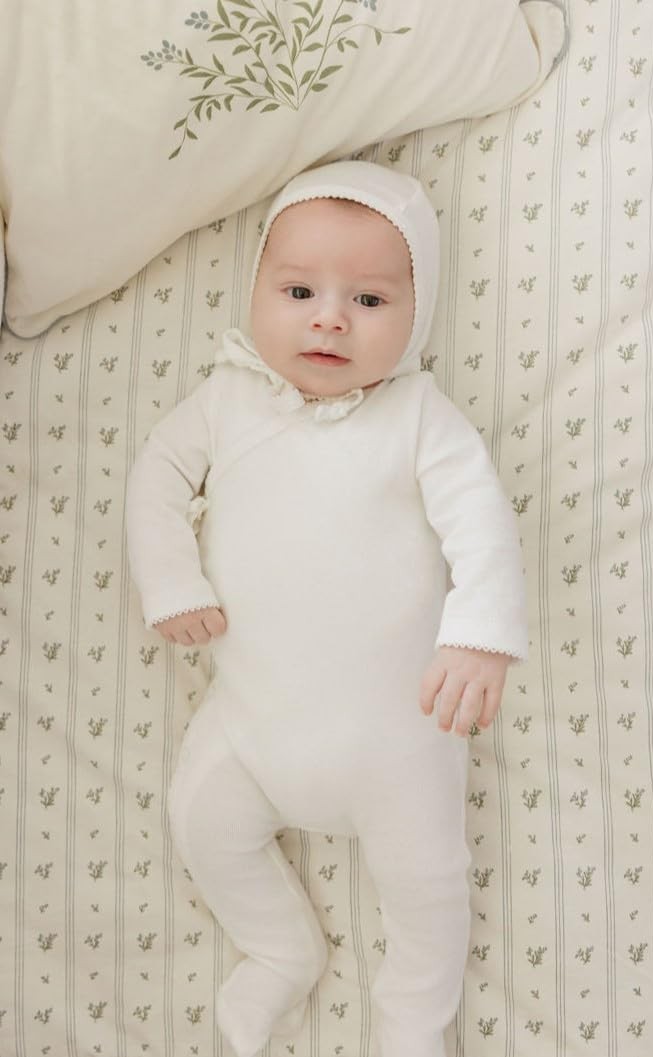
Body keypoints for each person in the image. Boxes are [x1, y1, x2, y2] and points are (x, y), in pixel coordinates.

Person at [126, 160, 528, 1057]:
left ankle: (412, 1024)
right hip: (249, 724)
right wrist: (171, 580)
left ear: (417, 315)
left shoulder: (420, 416)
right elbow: (156, 480)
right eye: (299, 290)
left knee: (429, 886)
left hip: (401, 736)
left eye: (369, 300)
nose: (329, 318)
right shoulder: (225, 399)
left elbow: (481, 524)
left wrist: (480, 636)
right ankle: (278, 949)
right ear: (255, 292)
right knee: (201, 822)